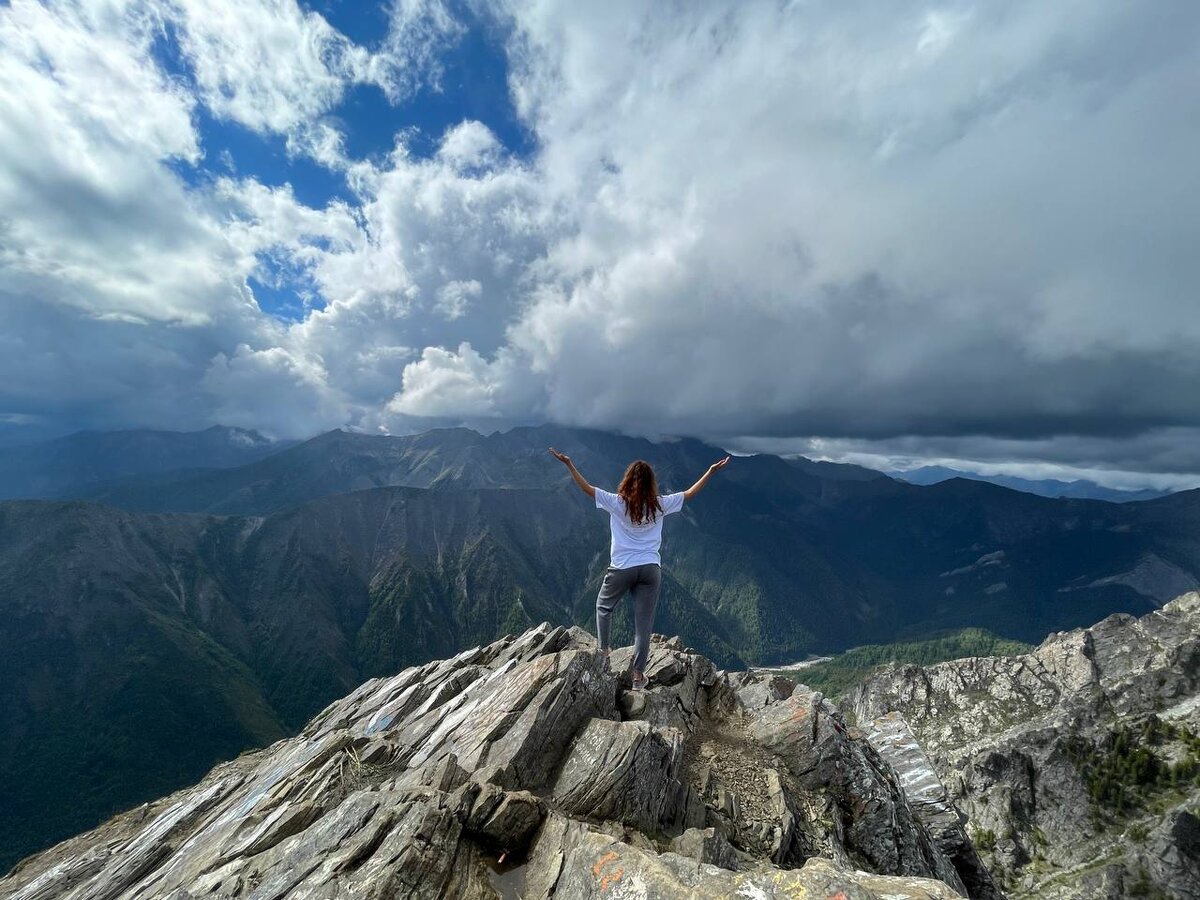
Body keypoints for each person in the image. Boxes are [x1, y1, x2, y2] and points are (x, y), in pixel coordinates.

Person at [548, 448, 731, 690]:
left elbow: (586, 488)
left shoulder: (617, 503)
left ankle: (603, 653)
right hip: (650, 569)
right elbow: (689, 494)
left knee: (604, 606)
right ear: (651, 484)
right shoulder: (660, 505)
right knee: (643, 626)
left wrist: (569, 464)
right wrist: (710, 471)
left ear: (627, 480)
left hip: (622, 567)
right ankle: (637, 677)